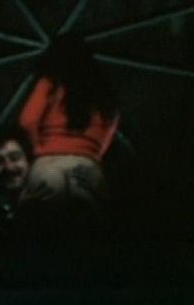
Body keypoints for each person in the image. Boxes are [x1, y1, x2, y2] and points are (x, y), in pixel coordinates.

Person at [18, 34, 120, 211]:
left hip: (49, 162)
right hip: (86, 165)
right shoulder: (103, 91)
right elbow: (111, 126)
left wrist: (38, 147)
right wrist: (94, 153)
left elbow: (28, 120)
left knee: (45, 221)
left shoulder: (50, 83)